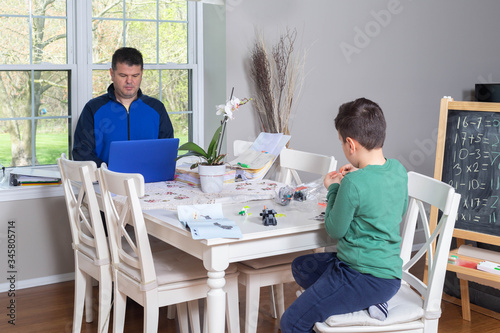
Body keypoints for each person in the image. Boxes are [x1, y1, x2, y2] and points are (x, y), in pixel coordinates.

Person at [280, 98, 408, 333]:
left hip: (362, 275)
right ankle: (362, 300)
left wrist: (334, 189)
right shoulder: (398, 169)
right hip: (389, 276)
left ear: (351, 144)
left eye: (341, 143)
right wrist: (360, 175)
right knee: (302, 266)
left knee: (291, 322)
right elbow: (397, 209)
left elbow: (335, 230)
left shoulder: (352, 184)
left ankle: (354, 297)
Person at [72, 47, 174, 166]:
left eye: (135, 76)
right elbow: (81, 153)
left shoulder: (157, 108)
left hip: (149, 181)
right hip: (105, 181)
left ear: (142, 74)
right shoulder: (93, 108)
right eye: (123, 75)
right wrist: (109, 172)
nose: (129, 81)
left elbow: (167, 151)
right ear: (112, 74)